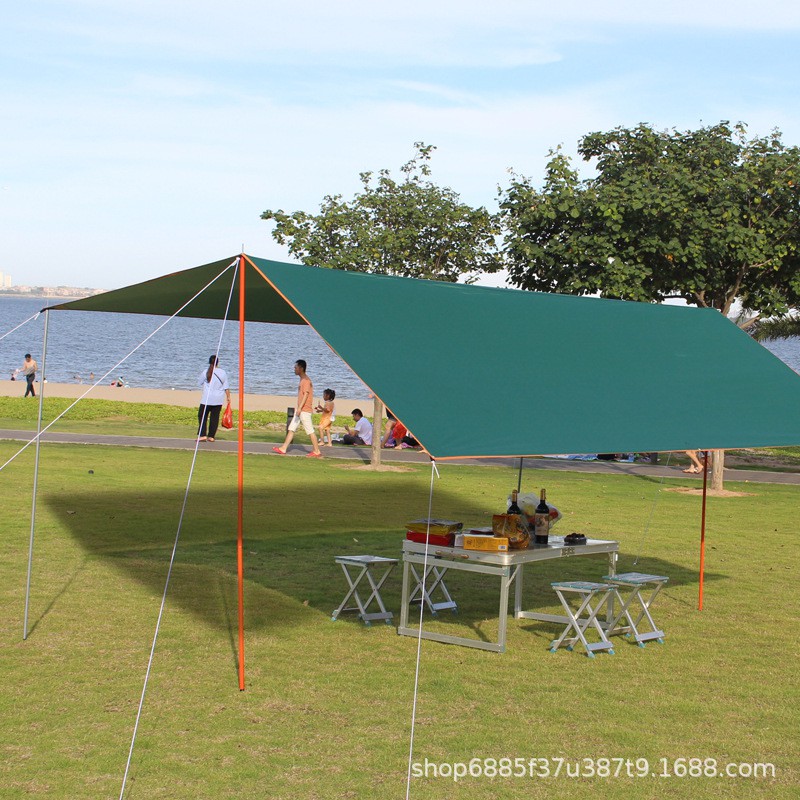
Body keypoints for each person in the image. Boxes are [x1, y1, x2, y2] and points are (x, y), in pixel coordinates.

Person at [272, 359, 323, 458]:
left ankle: (317, 451)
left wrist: (300, 408)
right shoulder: (302, 379)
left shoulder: (306, 381)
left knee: (310, 431)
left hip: (304, 410)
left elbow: (306, 395)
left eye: (296, 367)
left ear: (301, 368)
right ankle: (283, 448)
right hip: (300, 410)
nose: (294, 369)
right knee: (291, 428)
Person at [197, 355, 231, 442]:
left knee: (202, 416)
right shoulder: (222, 372)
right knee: (214, 418)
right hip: (218, 399)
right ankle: (211, 436)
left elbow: (199, 382)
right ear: (217, 363)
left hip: (206, 399)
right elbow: (226, 386)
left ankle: (203, 434)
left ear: (209, 362)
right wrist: (228, 397)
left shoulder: (206, 372)